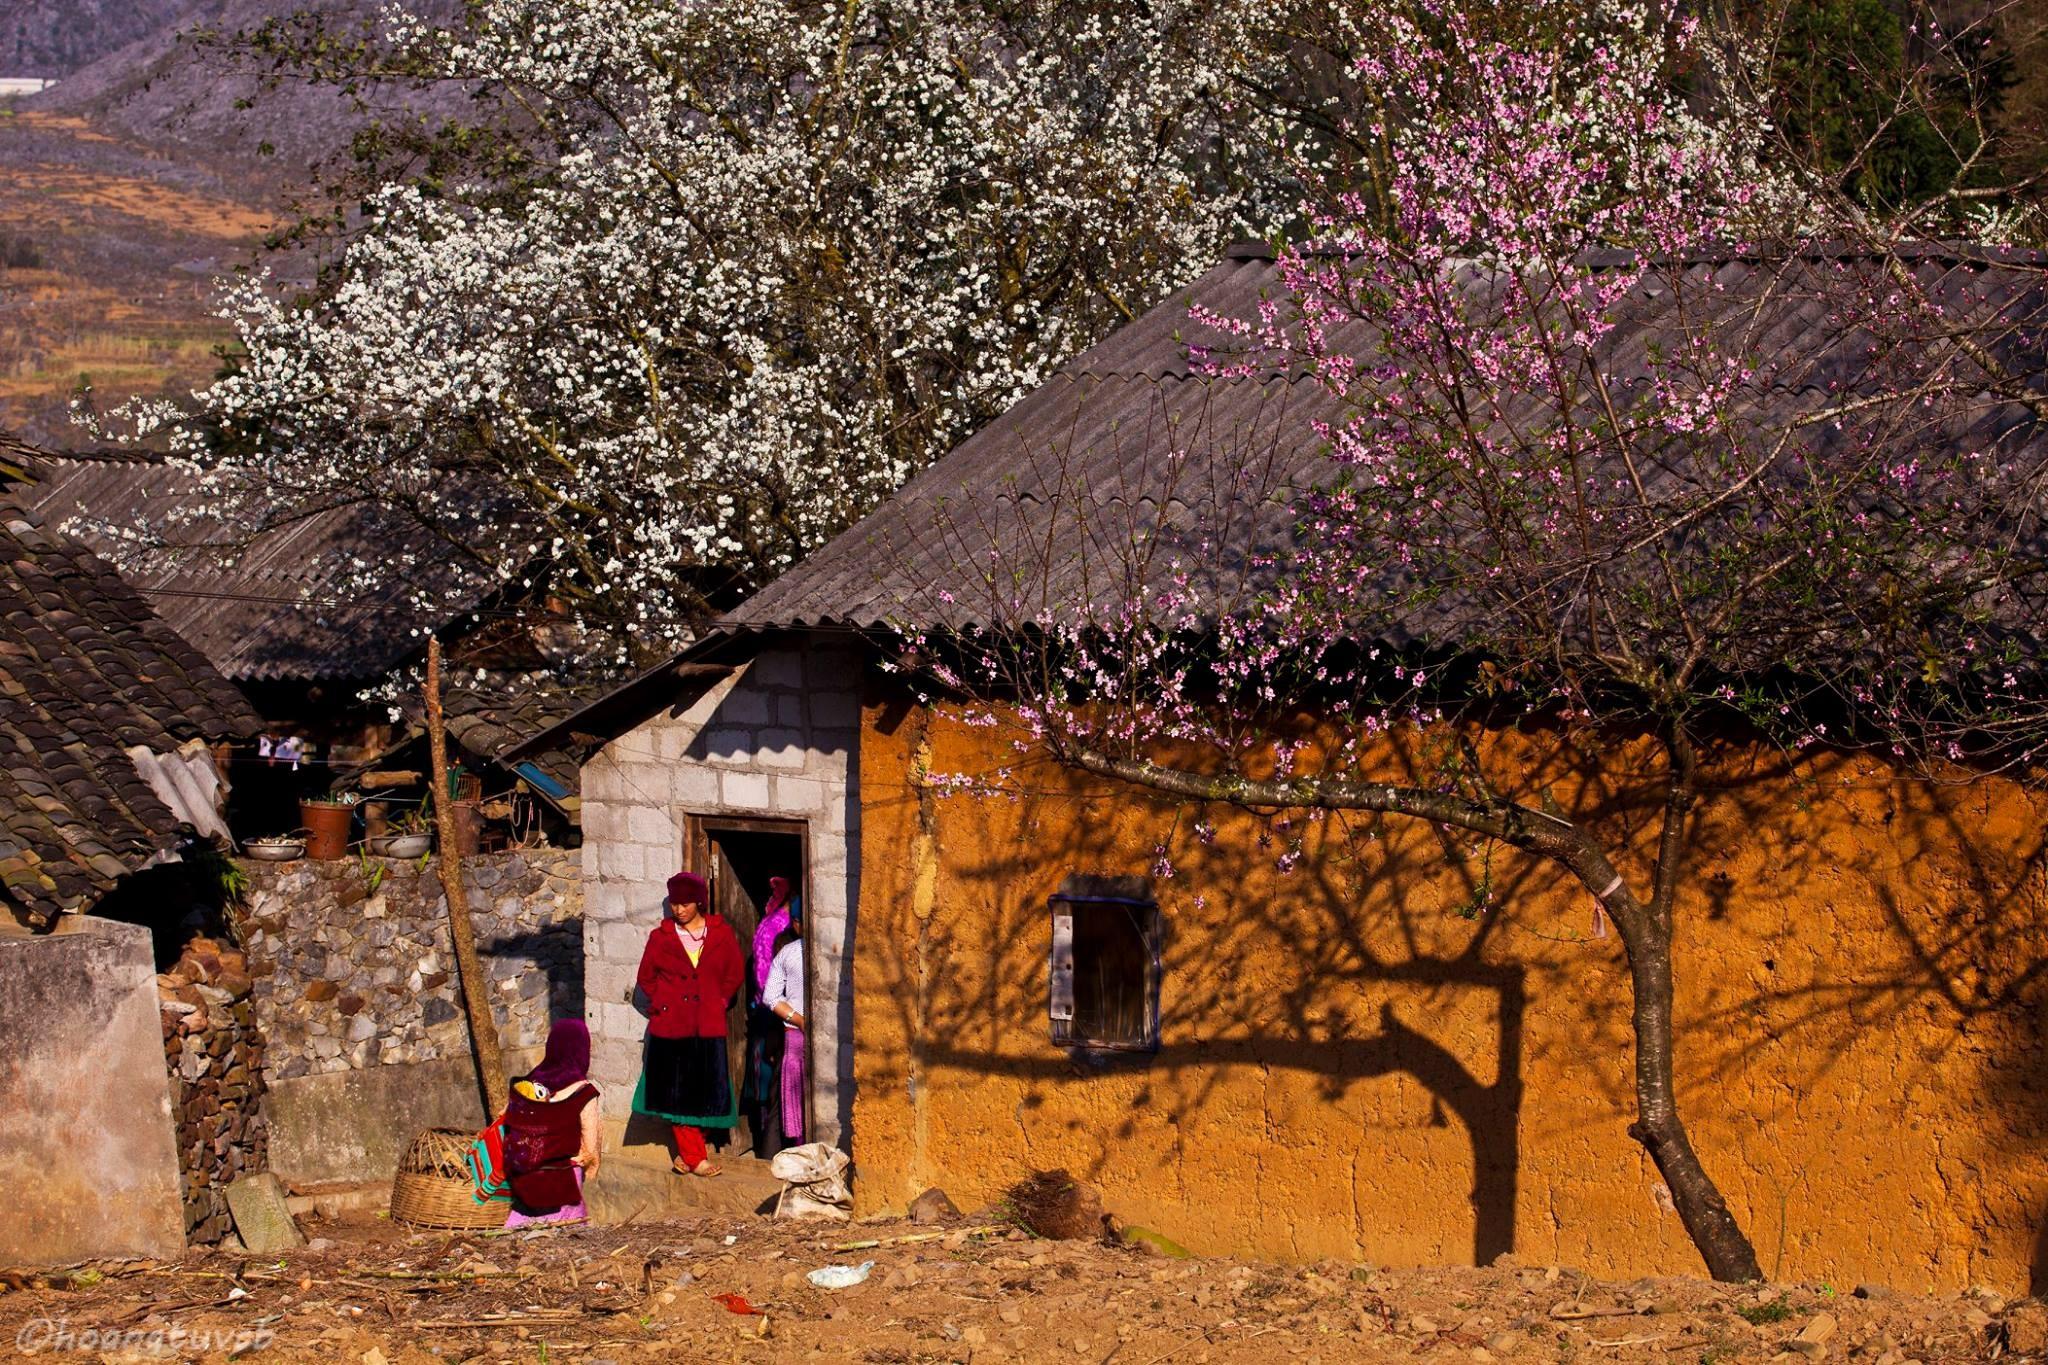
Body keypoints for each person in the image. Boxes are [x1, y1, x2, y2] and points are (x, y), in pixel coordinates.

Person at [633, 870, 744, 1176]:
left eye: (684, 903)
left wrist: (719, 1001)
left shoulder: (721, 934)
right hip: (671, 1027)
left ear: (698, 902)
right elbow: (646, 978)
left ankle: (686, 1152)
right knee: (678, 1096)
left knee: (708, 1093)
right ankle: (696, 1158)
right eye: (674, 904)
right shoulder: (661, 938)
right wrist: (663, 1005)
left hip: (707, 1025)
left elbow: (734, 973)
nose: (678, 910)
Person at [500, 1018, 600, 1226]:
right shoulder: (583, 1091)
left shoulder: (526, 1084)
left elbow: (505, 1118)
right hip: (561, 1182)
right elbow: (590, 1146)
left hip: (523, 1176)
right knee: (565, 1243)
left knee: (521, 1237)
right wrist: (590, 1166)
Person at [743, 877, 796, 1154]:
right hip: (773, 1016)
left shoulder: (780, 925)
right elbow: (766, 983)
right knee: (770, 1085)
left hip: (780, 1013)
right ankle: (770, 1146)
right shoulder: (773, 928)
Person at [760, 904, 807, 1146]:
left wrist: (797, 1019)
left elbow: (770, 997)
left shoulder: (788, 952)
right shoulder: (791, 952)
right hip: (801, 1036)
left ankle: (797, 1150)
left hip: (794, 1033)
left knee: (794, 1100)